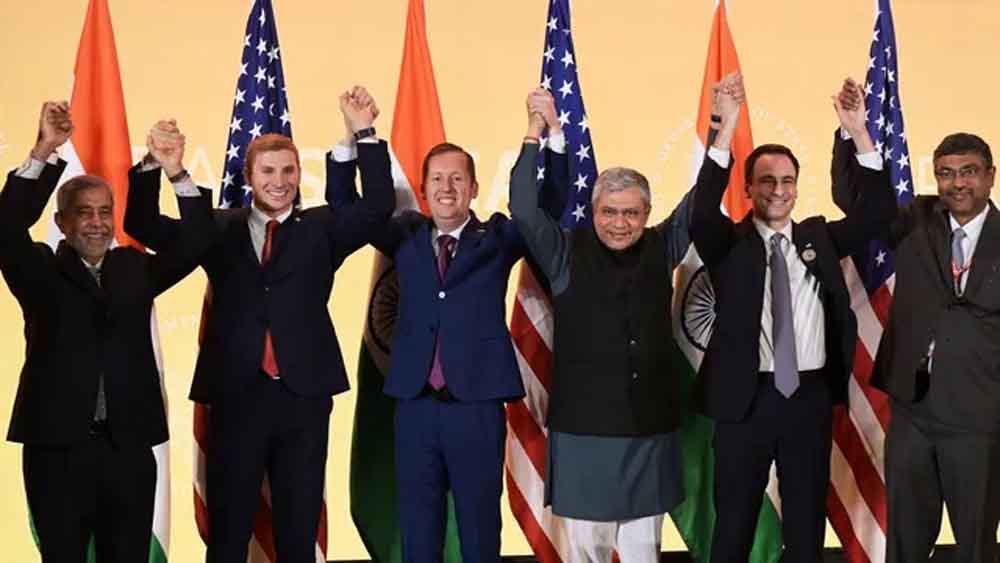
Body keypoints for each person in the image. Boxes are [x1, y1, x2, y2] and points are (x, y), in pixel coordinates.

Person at [123, 88, 394, 563]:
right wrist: (155, 164)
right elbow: (143, 225)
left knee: (298, 531)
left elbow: (375, 208)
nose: (279, 181)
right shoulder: (216, 229)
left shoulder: (322, 228)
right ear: (248, 177)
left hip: (303, 398)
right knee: (228, 533)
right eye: (268, 171)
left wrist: (363, 132)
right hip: (236, 398)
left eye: (288, 171)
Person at [325, 87, 567, 563]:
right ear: (423, 188)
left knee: (479, 527)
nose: (447, 188)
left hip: (476, 406)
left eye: (458, 179)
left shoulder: (498, 237)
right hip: (415, 407)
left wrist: (548, 132)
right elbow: (344, 203)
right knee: (418, 526)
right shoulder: (405, 234)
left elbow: (550, 205)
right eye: (437, 179)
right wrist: (359, 134)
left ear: (474, 188)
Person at [690, 74, 895, 562]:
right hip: (745, 401)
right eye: (766, 180)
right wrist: (725, 129)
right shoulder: (728, 243)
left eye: (786, 181)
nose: (777, 191)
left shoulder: (818, 237)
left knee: (805, 526)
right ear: (748, 188)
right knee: (733, 524)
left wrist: (858, 133)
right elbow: (700, 214)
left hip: (808, 399)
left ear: (797, 188)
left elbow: (877, 214)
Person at [0, 102, 212, 562]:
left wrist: (171, 171)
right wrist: (43, 150)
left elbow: (198, 241)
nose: (96, 223)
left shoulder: (134, 268)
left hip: (128, 450)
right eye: (83, 213)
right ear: (62, 223)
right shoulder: (38, 270)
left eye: (104, 212)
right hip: (56, 449)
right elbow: (4, 228)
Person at [509, 87, 701, 562]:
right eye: (609, 212)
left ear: (647, 215)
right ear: (593, 212)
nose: (619, 223)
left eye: (631, 212)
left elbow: (703, 200)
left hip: (648, 431)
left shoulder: (662, 247)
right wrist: (536, 130)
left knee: (642, 553)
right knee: (585, 555)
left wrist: (724, 131)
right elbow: (524, 208)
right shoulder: (563, 252)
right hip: (584, 436)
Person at [833, 81, 1000, 563]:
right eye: (946, 173)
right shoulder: (917, 219)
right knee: (905, 541)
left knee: (975, 544)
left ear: (990, 176)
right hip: (914, 413)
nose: (957, 183)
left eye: (968, 172)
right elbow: (858, 202)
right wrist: (857, 134)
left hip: (979, 417)